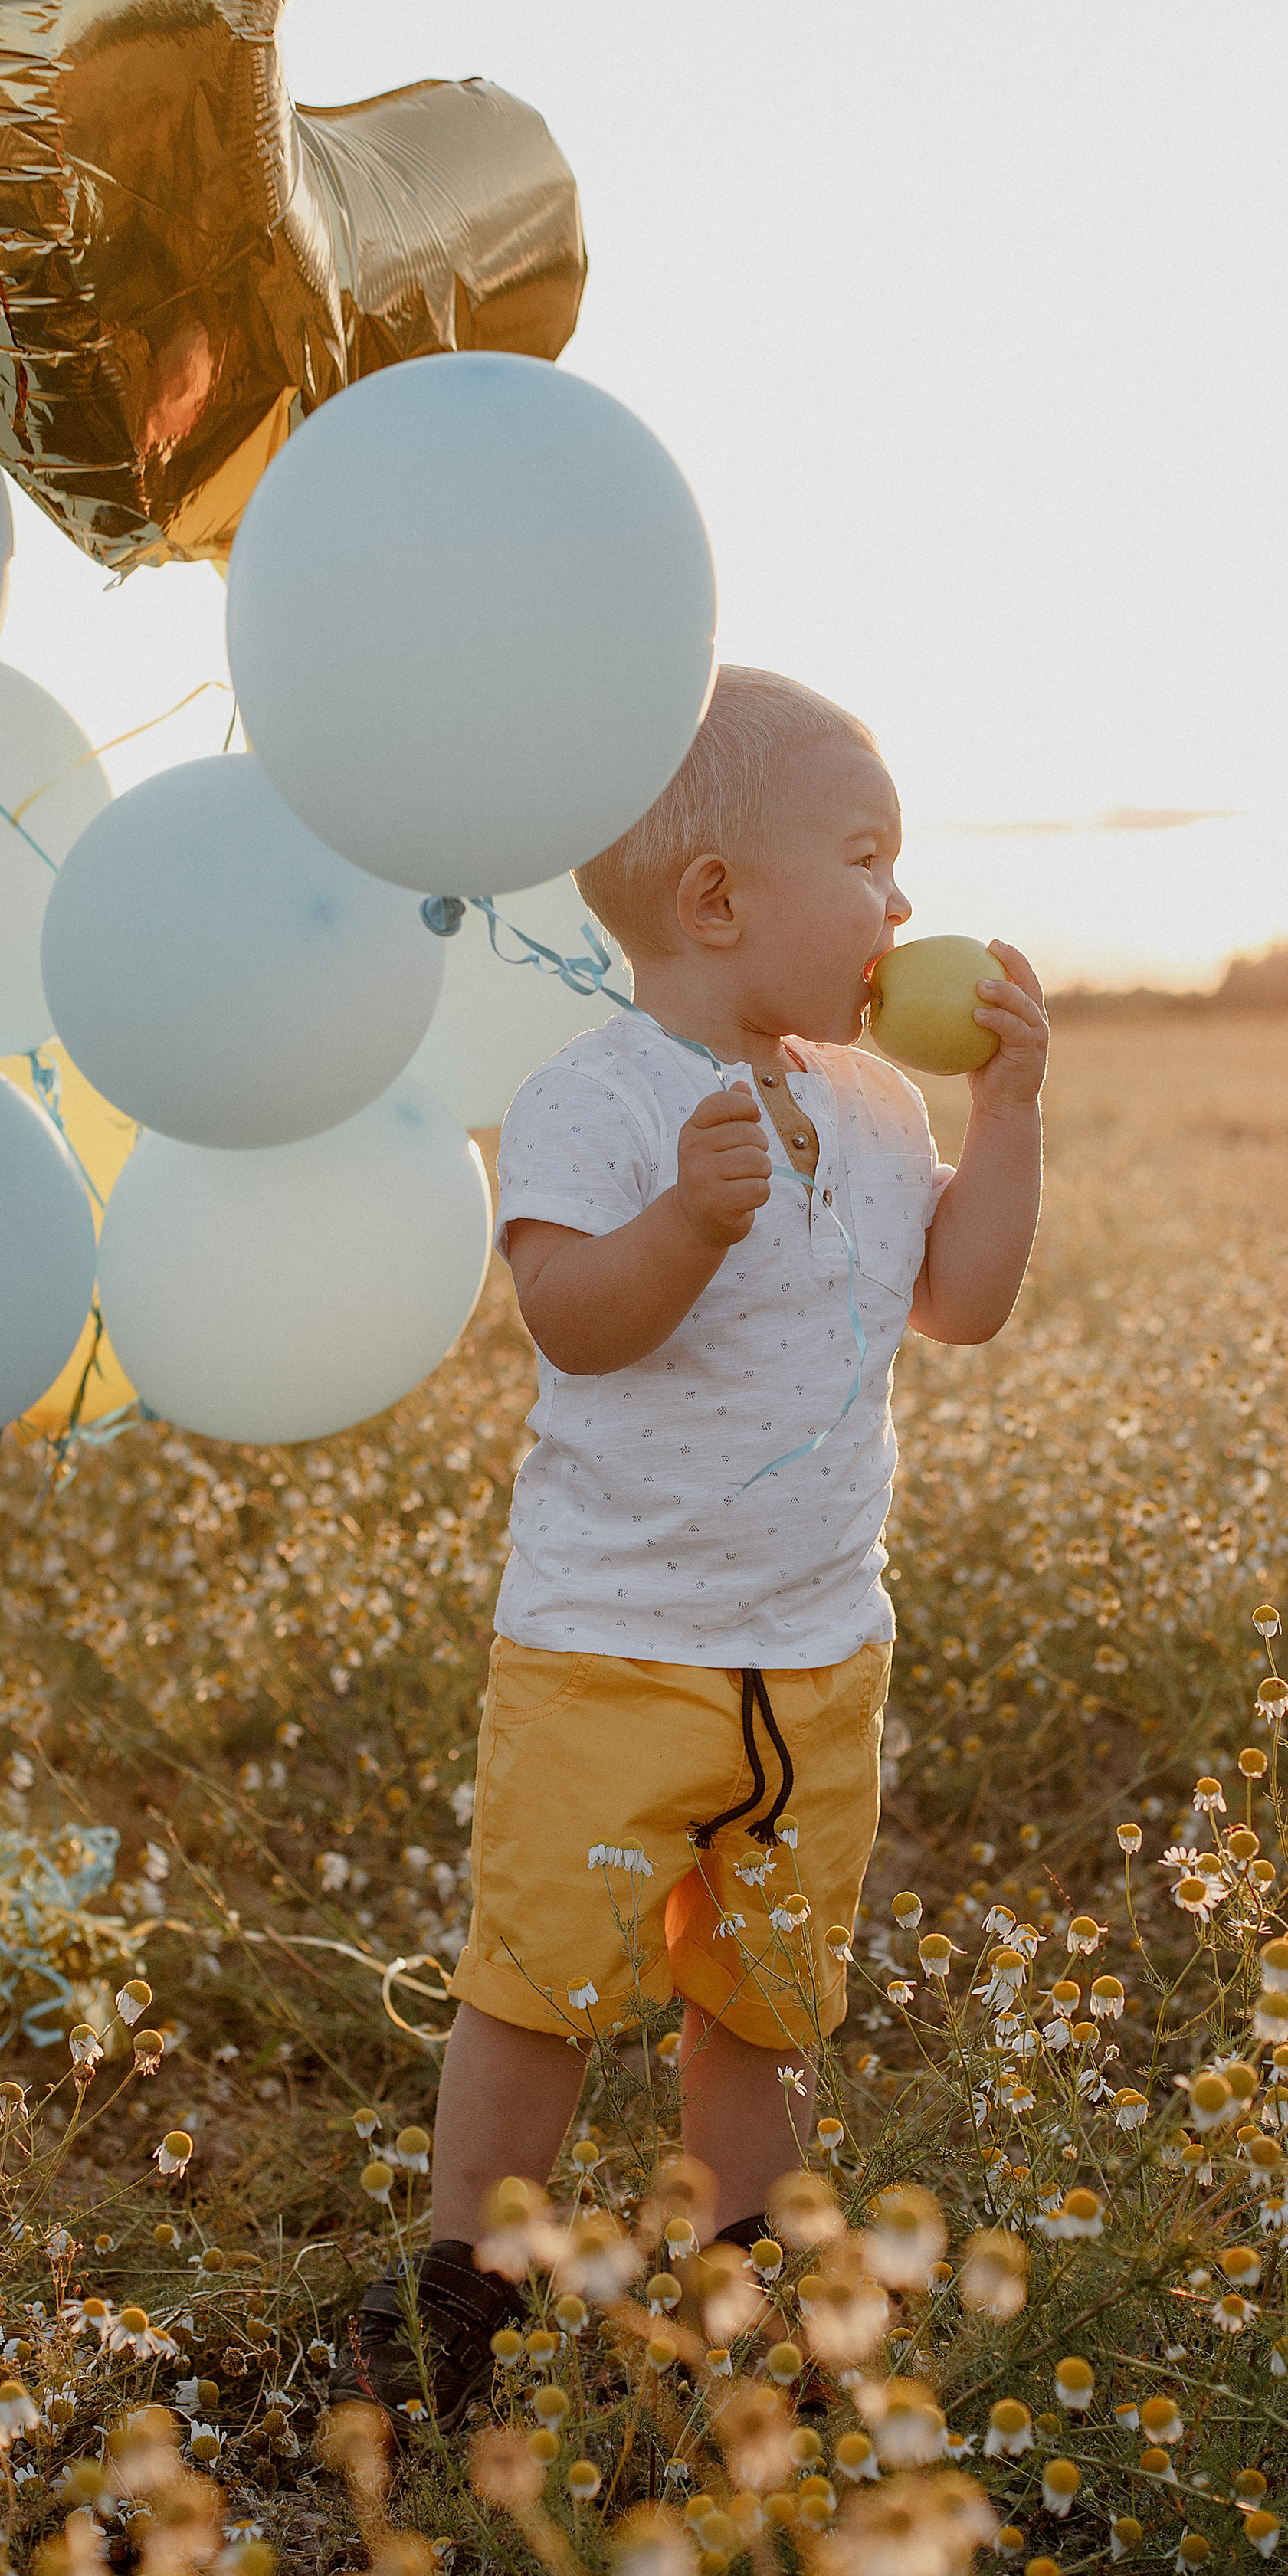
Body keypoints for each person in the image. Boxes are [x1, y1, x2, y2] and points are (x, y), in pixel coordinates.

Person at [334, 667, 1049, 2425]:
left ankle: (749, 2264)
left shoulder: (881, 1106)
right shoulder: (598, 1100)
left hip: (815, 1653)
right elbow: (573, 1318)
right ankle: (464, 2285)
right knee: (538, 1990)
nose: (900, 908)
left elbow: (960, 1304)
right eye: (867, 861)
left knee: (767, 1997)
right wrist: (685, 1217)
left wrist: (1008, 1114)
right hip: (608, 1642)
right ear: (717, 899)